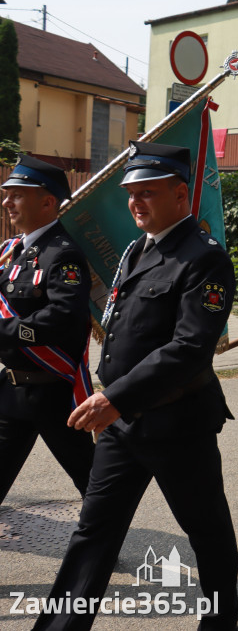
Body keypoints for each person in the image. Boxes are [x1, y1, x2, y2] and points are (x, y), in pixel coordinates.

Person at [37, 141, 238, 630]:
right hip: (123, 424)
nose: (136, 203)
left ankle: (219, 623)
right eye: (131, 193)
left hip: (178, 424)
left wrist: (114, 396)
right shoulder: (135, 249)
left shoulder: (204, 259)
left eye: (147, 192)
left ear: (180, 194)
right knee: (94, 532)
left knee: (207, 533)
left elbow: (190, 349)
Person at [0, 156, 94, 506]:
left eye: (17, 194)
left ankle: (101, 549)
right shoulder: (13, 252)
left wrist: (5, 331)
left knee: (91, 482)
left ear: (47, 201)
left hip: (53, 393)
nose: (7, 201)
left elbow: (62, 318)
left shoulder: (62, 255)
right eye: (6, 194)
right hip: (12, 392)